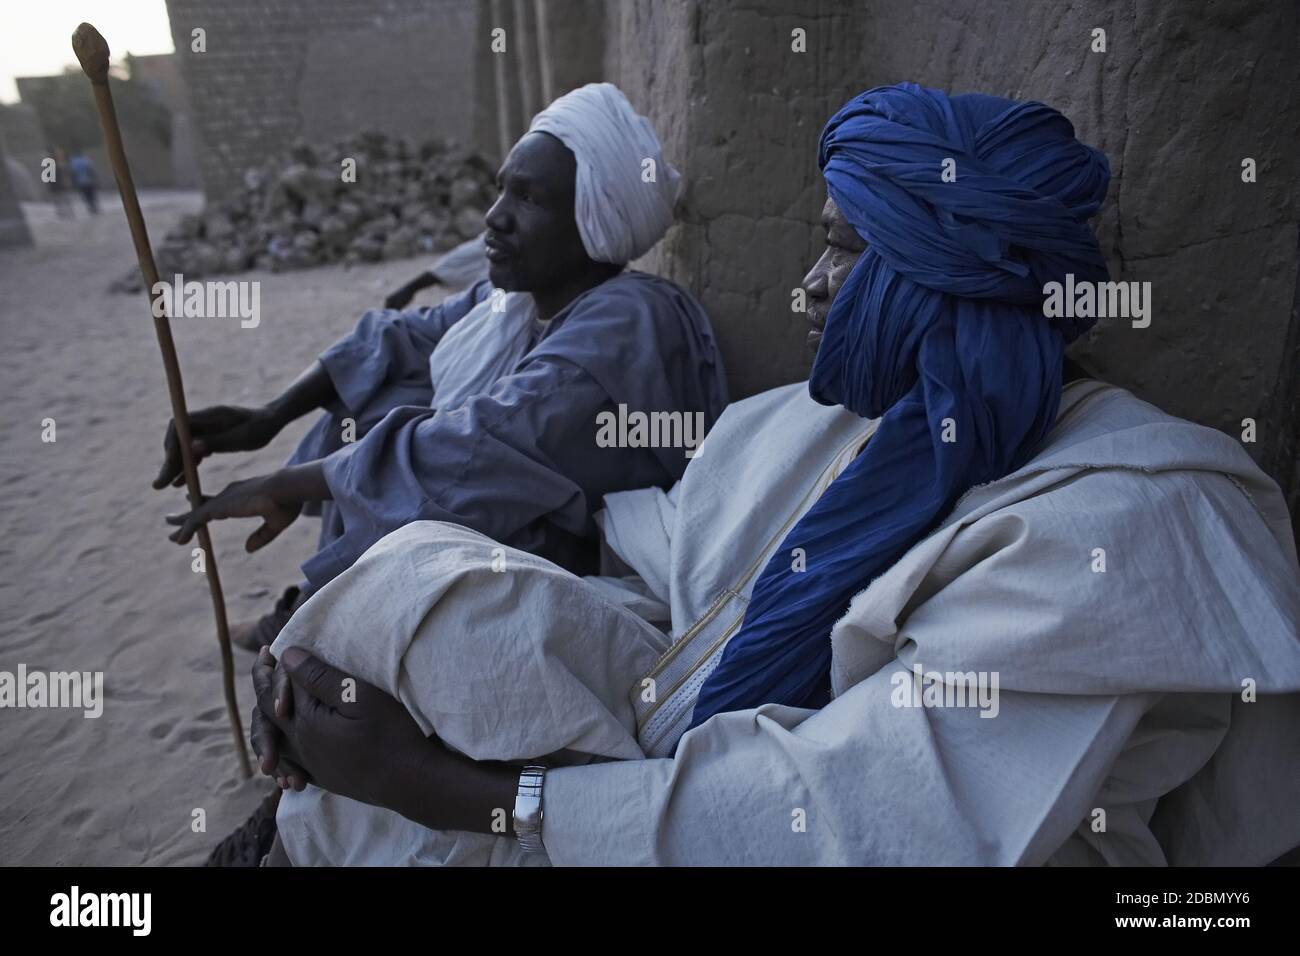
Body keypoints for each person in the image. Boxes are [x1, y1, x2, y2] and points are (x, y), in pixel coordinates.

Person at [247, 83, 1300, 866]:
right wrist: (361, 651)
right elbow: (680, 593)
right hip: (677, 741)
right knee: (415, 583)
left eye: (843, 250)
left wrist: (459, 787)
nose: (806, 286)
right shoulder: (823, 420)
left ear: (939, 271)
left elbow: (856, 816)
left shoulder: (1127, 517)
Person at [156, 84, 729, 649]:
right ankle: (314, 609)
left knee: (407, 465)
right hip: (513, 511)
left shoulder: (628, 320)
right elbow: (397, 335)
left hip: (577, 552)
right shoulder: (517, 302)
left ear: (594, 219)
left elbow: (471, 448)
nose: (494, 217)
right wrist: (268, 415)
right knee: (377, 396)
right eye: (502, 191)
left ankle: (315, 618)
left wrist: (283, 483)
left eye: (528, 200)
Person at [67, 150, 98, 214]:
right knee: (91, 194)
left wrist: (74, 182)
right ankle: (94, 206)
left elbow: (72, 173)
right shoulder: (86, 160)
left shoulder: (73, 162)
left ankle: (90, 206)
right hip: (89, 181)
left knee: (86, 195)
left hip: (80, 182)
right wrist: (94, 178)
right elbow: (91, 170)